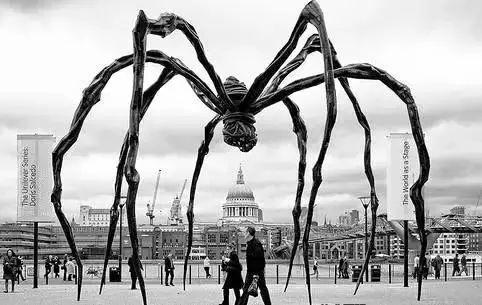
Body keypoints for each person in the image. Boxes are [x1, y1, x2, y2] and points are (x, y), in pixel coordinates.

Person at [237, 226, 271, 305]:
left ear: (248, 233)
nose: (244, 234)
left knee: (251, 290)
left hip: (255, 272)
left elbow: (259, 258)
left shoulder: (256, 243)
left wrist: (256, 274)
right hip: (253, 271)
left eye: (245, 232)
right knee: (259, 289)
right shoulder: (251, 243)